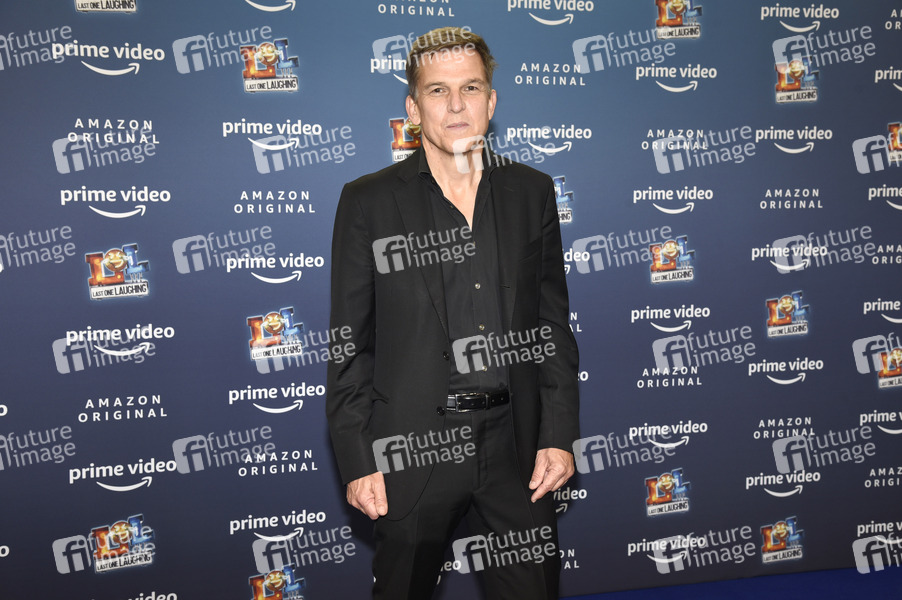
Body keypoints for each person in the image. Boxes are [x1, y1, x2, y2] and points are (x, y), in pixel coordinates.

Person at [327, 26, 580, 599]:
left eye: (471, 88)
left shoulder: (532, 191)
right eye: (438, 91)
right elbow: (349, 344)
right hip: (413, 451)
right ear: (413, 109)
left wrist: (559, 434)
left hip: (518, 450)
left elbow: (552, 326)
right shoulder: (367, 201)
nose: (457, 105)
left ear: (492, 100)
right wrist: (358, 458)